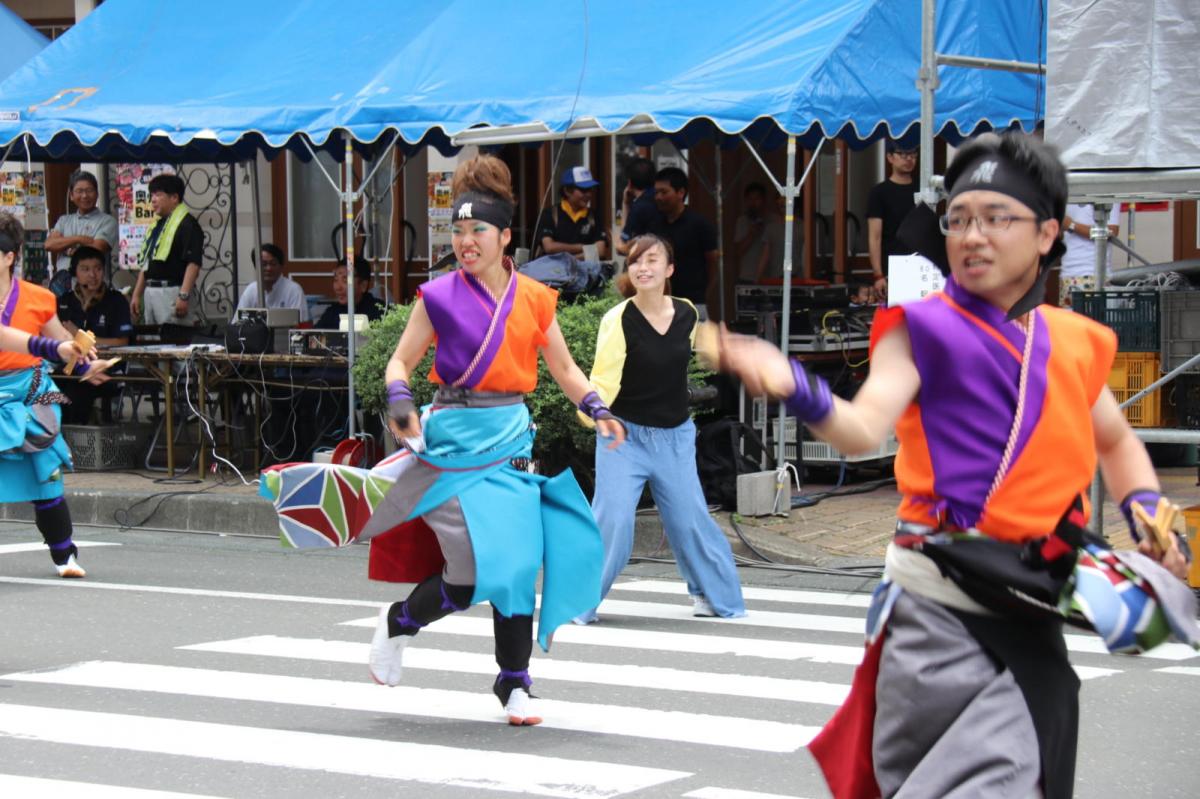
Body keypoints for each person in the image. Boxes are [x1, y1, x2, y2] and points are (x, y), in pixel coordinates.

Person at [709, 132, 1196, 798]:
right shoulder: (920, 329)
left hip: (1033, 603)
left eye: (997, 218)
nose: (973, 236)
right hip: (935, 612)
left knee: (1010, 771)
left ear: (1048, 233)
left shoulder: (1074, 341)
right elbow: (861, 429)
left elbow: (1116, 440)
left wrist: (1144, 507)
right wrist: (796, 383)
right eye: (960, 218)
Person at [261, 155, 625, 725]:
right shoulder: (438, 296)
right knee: (469, 577)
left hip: (508, 446)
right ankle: (398, 622)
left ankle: (514, 685)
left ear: (505, 236)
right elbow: (399, 362)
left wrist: (597, 407)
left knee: (517, 564)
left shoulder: (533, 298)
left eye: (476, 230)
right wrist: (401, 401)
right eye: (456, 231)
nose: (464, 241)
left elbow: (565, 370)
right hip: (451, 446)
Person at [576, 233, 745, 624]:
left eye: (653, 260)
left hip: (675, 436)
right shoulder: (617, 320)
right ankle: (578, 600)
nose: (643, 267)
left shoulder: (687, 313)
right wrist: (595, 414)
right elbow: (600, 381)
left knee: (690, 520)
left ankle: (711, 595)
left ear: (669, 269)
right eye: (635, 260)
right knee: (613, 520)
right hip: (623, 437)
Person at [0, 212, 108, 579]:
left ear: (9, 256)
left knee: (46, 473)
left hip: (30, 390)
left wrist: (83, 367)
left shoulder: (37, 298)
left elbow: (63, 343)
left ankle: (65, 557)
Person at [56, 246, 133, 424]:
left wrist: (78, 336)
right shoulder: (64, 301)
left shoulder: (116, 300)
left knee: (77, 390)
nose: (93, 275)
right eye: (85, 269)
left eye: (97, 268)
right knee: (48, 387)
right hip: (69, 368)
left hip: (106, 368)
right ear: (74, 272)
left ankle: (78, 443)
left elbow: (121, 342)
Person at [130, 173, 205, 328]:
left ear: (174, 198)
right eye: (152, 195)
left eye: (158, 195)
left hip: (171, 292)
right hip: (151, 291)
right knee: (152, 341)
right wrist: (137, 294)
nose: (153, 200)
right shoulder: (157, 226)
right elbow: (148, 263)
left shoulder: (187, 225)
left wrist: (183, 296)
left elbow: (193, 263)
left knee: (173, 340)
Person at [648, 167, 718, 314]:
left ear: (681, 192)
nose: (658, 197)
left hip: (694, 303)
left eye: (664, 192)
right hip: (661, 303)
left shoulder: (699, 224)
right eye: (656, 192)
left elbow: (713, 261)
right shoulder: (655, 226)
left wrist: (706, 293)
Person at [45, 170, 118, 289]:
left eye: (89, 190)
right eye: (79, 191)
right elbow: (49, 244)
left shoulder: (107, 221)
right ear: (72, 196)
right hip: (63, 288)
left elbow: (97, 248)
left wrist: (66, 247)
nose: (84, 196)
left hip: (92, 288)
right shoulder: (64, 220)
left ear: (97, 194)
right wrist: (79, 239)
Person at [866, 140, 918, 299]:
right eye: (902, 154)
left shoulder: (924, 191)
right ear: (890, 157)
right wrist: (878, 275)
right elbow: (875, 236)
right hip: (893, 267)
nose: (908, 159)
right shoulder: (879, 192)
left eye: (912, 154)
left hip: (922, 265)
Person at [532, 167, 609, 260]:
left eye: (590, 190)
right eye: (583, 190)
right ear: (567, 191)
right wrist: (583, 247)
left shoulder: (594, 216)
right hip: (554, 273)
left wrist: (572, 260)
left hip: (585, 272)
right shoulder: (550, 214)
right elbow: (549, 247)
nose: (588, 194)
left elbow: (600, 251)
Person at [1058, 203, 1121, 307]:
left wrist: (1071, 225)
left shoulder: (1107, 191)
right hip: (1067, 275)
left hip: (1092, 275)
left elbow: (1111, 232)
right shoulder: (1070, 191)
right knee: (1070, 322)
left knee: (1090, 321)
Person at [235, 243, 310, 322]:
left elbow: (301, 323)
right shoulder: (251, 289)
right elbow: (237, 322)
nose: (269, 268)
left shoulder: (293, 290)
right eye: (264, 264)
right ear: (256, 267)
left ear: (281, 266)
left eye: (273, 264)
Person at [733, 182, 785, 284]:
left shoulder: (775, 221)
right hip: (747, 277)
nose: (753, 203)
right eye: (750, 199)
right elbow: (738, 251)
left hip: (772, 277)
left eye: (757, 199)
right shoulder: (742, 221)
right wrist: (752, 233)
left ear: (764, 200)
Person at [314, 256, 384, 329]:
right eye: (336, 280)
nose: (338, 287)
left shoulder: (380, 311)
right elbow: (314, 337)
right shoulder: (332, 313)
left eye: (345, 281)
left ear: (363, 285)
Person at [615, 156, 657, 255]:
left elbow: (622, 248)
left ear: (629, 183)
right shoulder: (661, 200)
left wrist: (625, 204)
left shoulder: (639, 207)